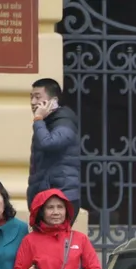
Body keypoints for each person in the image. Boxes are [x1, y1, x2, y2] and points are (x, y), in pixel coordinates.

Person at [28, 78, 81, 217]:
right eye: (31, 97)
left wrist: (38, 119)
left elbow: (50, 143)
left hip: (61, 196)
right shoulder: (47, 122)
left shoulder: (64, 121)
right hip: (46, 194)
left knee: (58, 238)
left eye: (38, 97)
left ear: (54, 101)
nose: (33, 102)